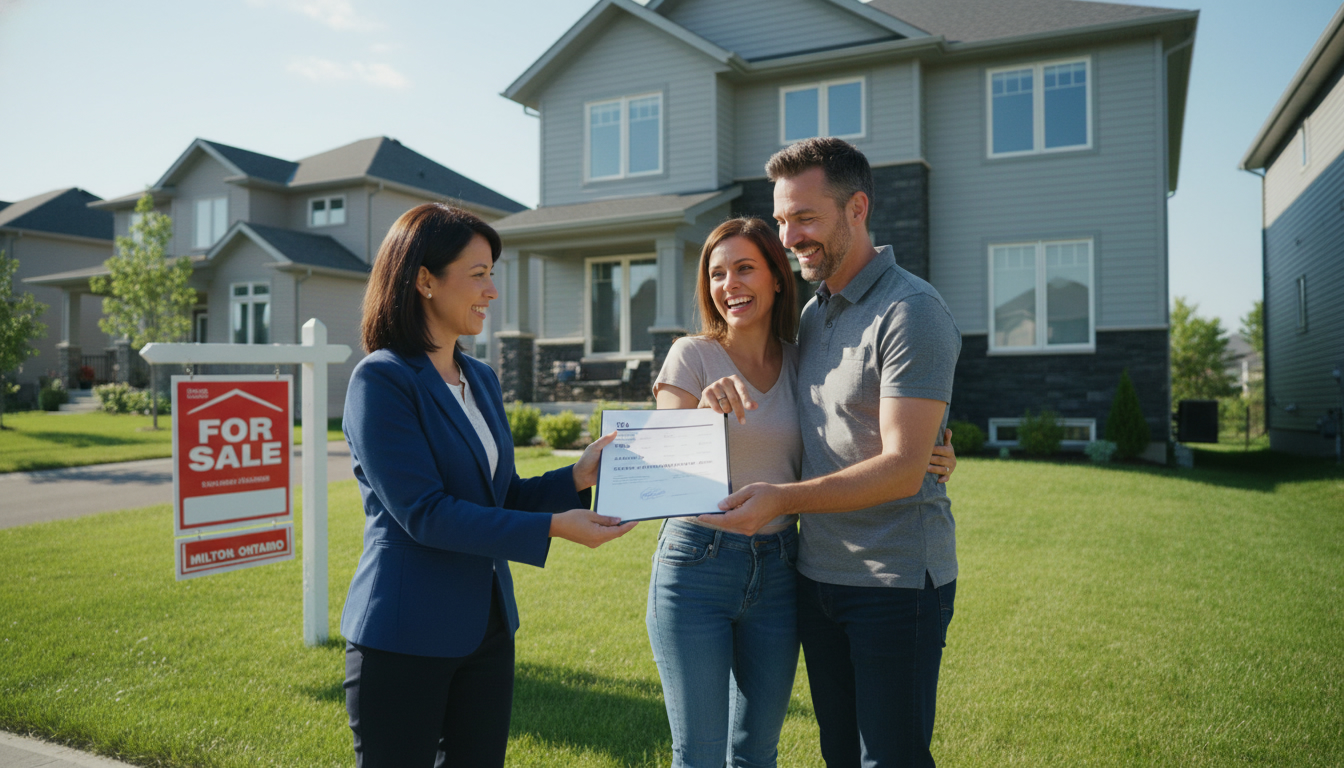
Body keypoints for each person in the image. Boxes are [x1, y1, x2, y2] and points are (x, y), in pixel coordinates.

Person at [650, 217, 957, 767]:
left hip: (780, 567)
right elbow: (661, 466)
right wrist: (701, 411)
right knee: (699, 754)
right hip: (698, 563)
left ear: (776, 277)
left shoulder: (803, 352)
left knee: (757, 751)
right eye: (717, 274)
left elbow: (849, 426)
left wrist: (929, 453)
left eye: (745, 268)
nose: (729, 284)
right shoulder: (692, 356)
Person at [340, 203, 636, 768]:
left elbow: (498, 497)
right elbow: (426, 513)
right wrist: (553, 527)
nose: (492, 291)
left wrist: (577, 475)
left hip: (488, 628)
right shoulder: (382, 379)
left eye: (492, 274)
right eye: (478, 274)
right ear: (424, 280)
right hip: (404, 633)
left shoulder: (480, 377)